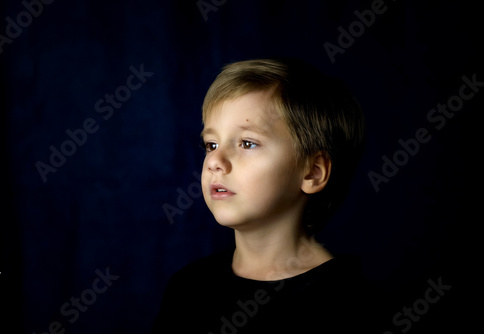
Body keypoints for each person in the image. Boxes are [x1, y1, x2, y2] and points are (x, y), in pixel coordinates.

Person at [152, 58, 386, 333]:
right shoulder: (188, 287)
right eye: (211, 144)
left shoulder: (353, 307)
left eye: (247, 143)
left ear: (312, 172)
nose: (215, 160)